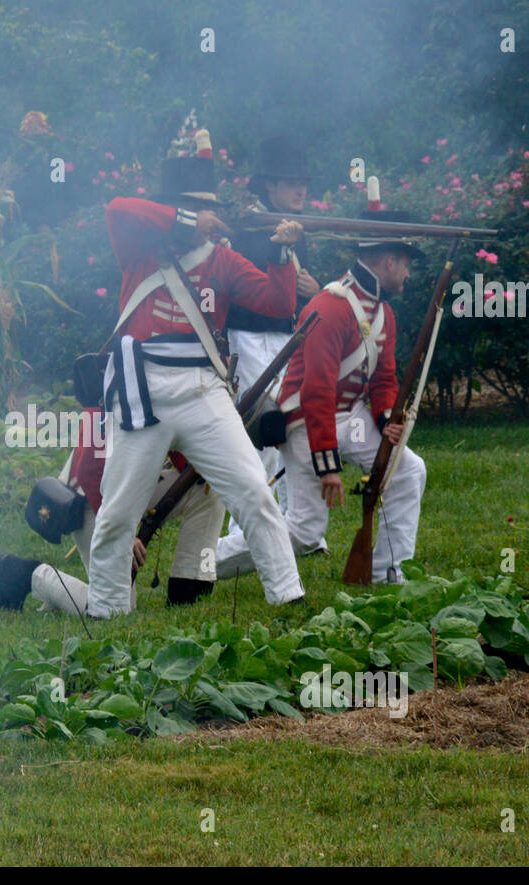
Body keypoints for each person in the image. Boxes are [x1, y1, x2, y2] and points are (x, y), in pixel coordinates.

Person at [84, 129, 306, 619]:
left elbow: (278, 302)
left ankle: (288, 595)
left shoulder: (221, 259)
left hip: (203, 391)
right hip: (141, 390)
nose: (206, 222)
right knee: (118, 513)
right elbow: (118, 207)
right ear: (178, 212)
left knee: (253, 491)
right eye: (194, 211)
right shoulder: (140, 250)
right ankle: (105, 610)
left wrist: (283, 252)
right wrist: (187, 221)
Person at [274, 213, 428, 584]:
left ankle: (385, 571)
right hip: (308, 424)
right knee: (304, 532)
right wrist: (328, 466)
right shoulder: (329, 308)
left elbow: (384, 380)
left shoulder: (383, 314)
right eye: (405, 264)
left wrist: (388, 419)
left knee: (409, 470)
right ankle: (213, 561)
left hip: (351, 420)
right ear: (389, 262)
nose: (407, 274)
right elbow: (316, 392)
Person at [215, 136, 326, 579]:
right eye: (291, 183)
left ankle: (299, 528)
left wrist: (312, 293)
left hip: (286, 339)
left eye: (302, 183)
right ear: (271, 187)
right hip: (249, 337)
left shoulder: (295, 229)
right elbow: (238, 288)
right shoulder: (245, 230)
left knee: (288, 426)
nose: (300, 190)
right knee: (259, 432)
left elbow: (302, 292)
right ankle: (240, 534)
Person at [0, 407, 224, 614]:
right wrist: (120, 529)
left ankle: (190, 585)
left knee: (205, 488)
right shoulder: (108, 383)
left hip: (134, 489)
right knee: (113, 609)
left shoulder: (176, 381)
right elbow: (90, 471)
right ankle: (27, 574)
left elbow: (184, 452)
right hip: (91, 501)